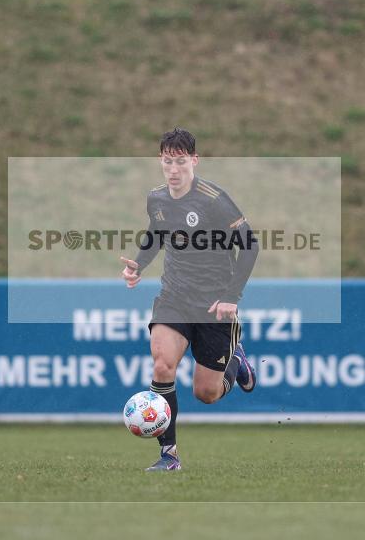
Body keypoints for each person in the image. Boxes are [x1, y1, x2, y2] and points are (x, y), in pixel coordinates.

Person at [120, 128, 259, 472]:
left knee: (206, 393)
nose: (174, 169)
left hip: (214, 306)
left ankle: (236, 361)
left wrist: (231, 297)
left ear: (194, 161)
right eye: (168, 161)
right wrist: (139, 264)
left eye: (181, 161)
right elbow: (157, 233)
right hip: (174, 297)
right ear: (160, 161)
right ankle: (169, 455)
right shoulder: (156, 198)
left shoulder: (214, 199)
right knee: (162, 365)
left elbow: (250, 245)